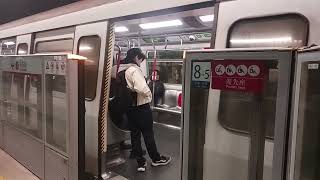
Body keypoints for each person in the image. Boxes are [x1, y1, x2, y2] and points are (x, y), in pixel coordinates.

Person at [111, 48, 171, 172]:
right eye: (141, 59)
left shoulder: (118, 68)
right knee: (148, 133)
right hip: (141, 107)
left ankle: (140, 162)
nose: (141, 62)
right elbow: (142, 88)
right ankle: (156, 159)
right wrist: (149, 96)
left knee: (135, 134)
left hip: (129, 107)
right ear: (136, 57)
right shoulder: (133, 70)